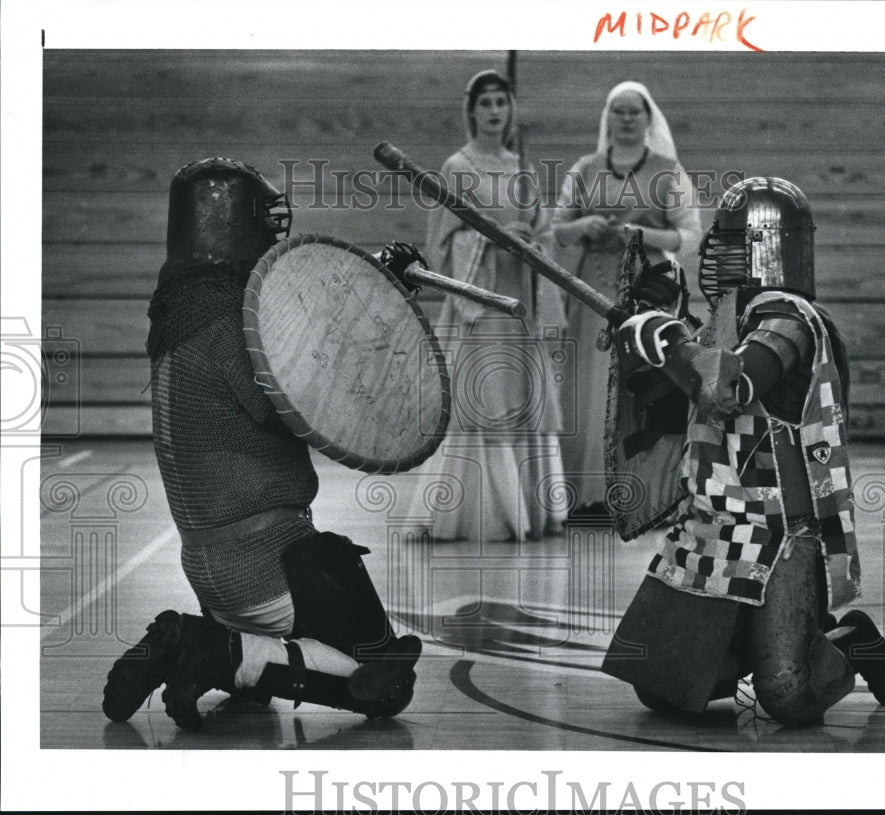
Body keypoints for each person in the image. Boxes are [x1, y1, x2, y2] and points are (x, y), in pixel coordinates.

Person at [101, 157, 422, 731]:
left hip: (211, 565)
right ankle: (209, 648)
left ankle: (212, 649)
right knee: (385, 683)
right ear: (231, 220)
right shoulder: (227, 316)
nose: (274, 230)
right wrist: (382, 300)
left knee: (258, 700)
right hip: (267, 565)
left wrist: (375, 277)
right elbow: (310, 389)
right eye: (262, 218)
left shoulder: (182, 308)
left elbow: (294, 337)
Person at [601, 177, 885, 725]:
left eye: (733, 241)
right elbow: (665, 403)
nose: (717, 253)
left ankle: (846, 644)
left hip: (778, 530)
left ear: (766, 246)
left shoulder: (791, 319)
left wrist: (665, 339)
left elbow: (726, 389)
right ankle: (747, 642)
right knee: (662, 688)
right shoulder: (726, 319)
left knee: (788, 694)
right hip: (715, 523)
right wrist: (643, 340)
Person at [403, 70, 566, 542]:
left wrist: (532, 241)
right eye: (486, 102)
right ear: (471, 110)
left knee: (523, 399)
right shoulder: (457, 167)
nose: (495, 111)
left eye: (502, 102)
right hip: (480, 304)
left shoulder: (522, 167)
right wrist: (493, 241)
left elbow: (543, 231)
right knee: (485, 399)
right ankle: (485, 515)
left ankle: (532, 512)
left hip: (521, 303)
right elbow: (441, 240)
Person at [546, 81, 702, 519]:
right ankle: (586, 496)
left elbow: (690, 235)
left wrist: (641, 234)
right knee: (588, 391)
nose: (628, 118)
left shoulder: (669, 170)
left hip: (646, 297)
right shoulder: (585, 169)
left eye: (636, 111)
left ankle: (640, 495)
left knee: (640, 393)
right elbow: (556, 227)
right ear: (607, 117)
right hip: (591, 293)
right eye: (620, 110)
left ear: (649, 118)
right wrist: (584, 227)